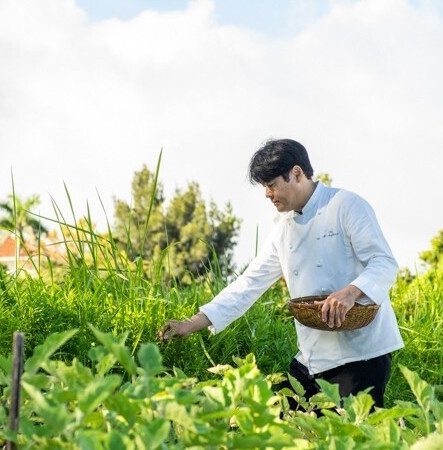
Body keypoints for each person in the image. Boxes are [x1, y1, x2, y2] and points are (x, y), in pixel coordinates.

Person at [158, 138, 403, 408]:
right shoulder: (283, 228)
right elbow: (249, 283)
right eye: (264, 186)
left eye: (272, 184)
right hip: (313, 358)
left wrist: (351, 292)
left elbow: (384, 262)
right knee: (276, 425)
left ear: (297, 173)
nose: (267, 193)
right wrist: (192, 323)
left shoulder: (346, 205)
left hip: (361, 356)